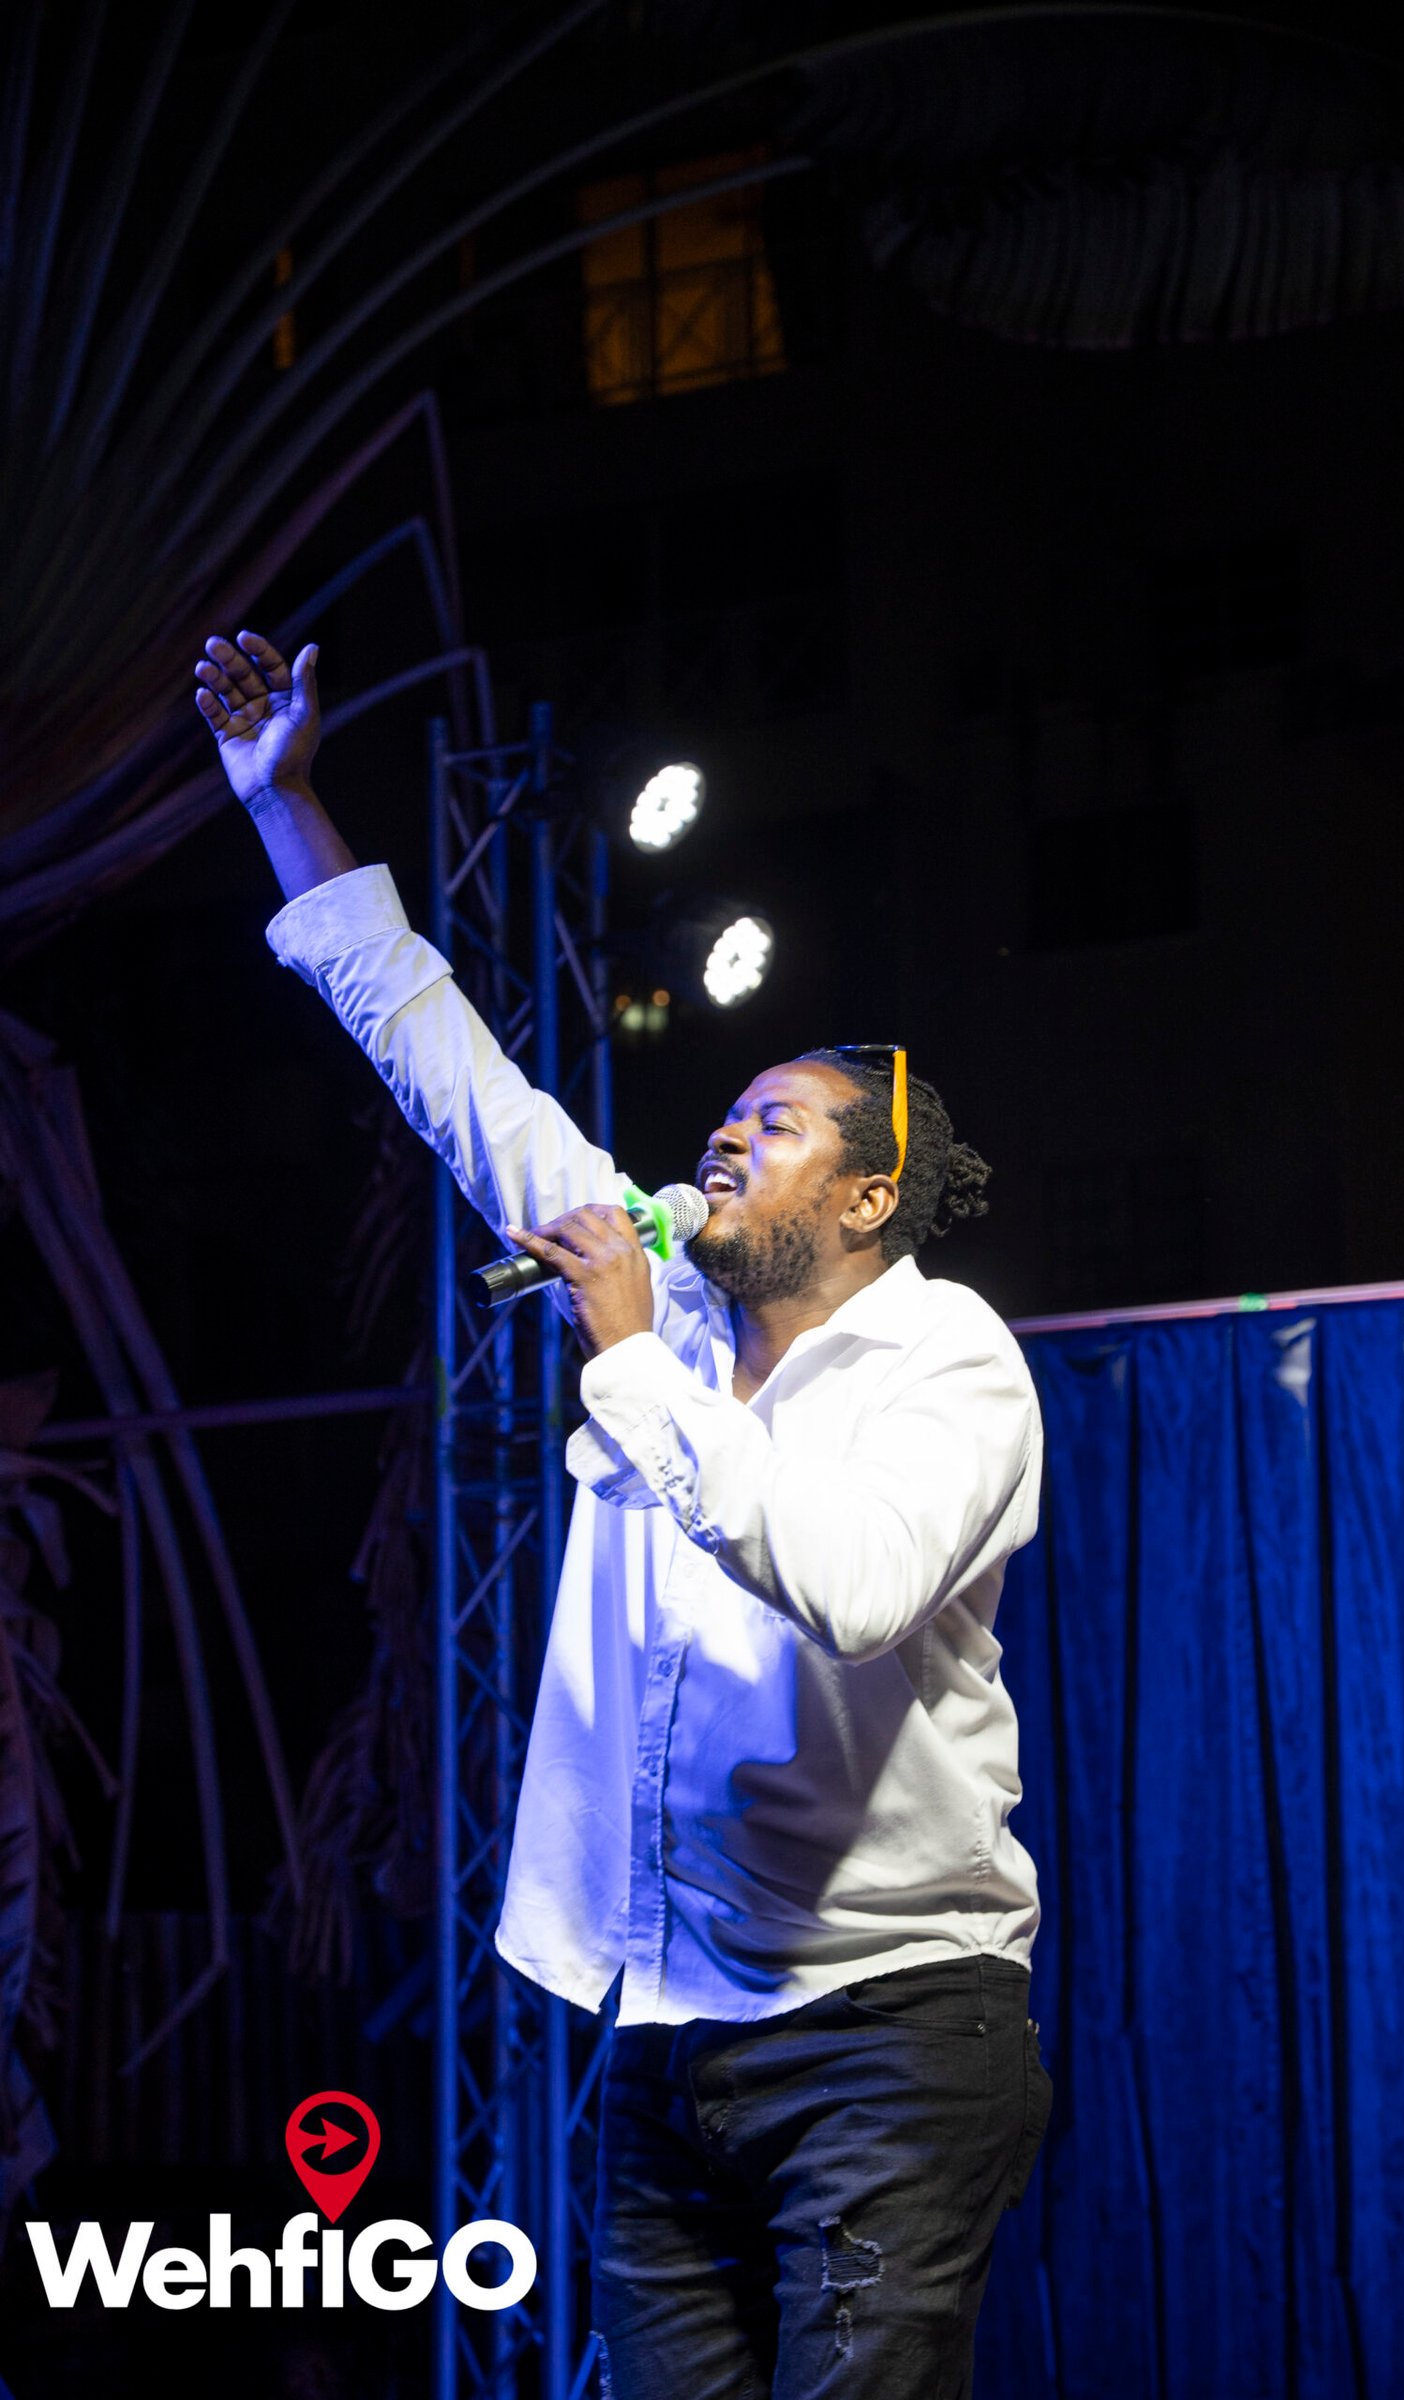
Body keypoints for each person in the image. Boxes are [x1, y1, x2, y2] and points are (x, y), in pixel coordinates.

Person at [195, 629, 1052, 2399]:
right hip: (664, 2033)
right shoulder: (671, 1318)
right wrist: (284, 803)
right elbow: (444, 1061)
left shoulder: (949, 1360)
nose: (723, 1141)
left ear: (870, 1195)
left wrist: (630, 1366)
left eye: (777, 1127)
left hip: (886, 2031)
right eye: (724, 1116)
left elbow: (853, 1586)